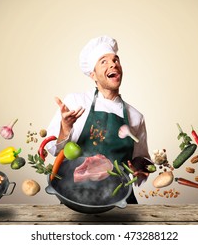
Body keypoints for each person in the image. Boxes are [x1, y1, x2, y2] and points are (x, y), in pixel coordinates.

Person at [46, 35, 150, 204]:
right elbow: (53, 150)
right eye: (104, 61)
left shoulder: (135, 116)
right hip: (77, 197)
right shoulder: (75, 102)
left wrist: (140, 169)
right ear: (93, 75)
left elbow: (141, 160)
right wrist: (65, 127)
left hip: (120, 198)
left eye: (116, 60)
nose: (113, 63)